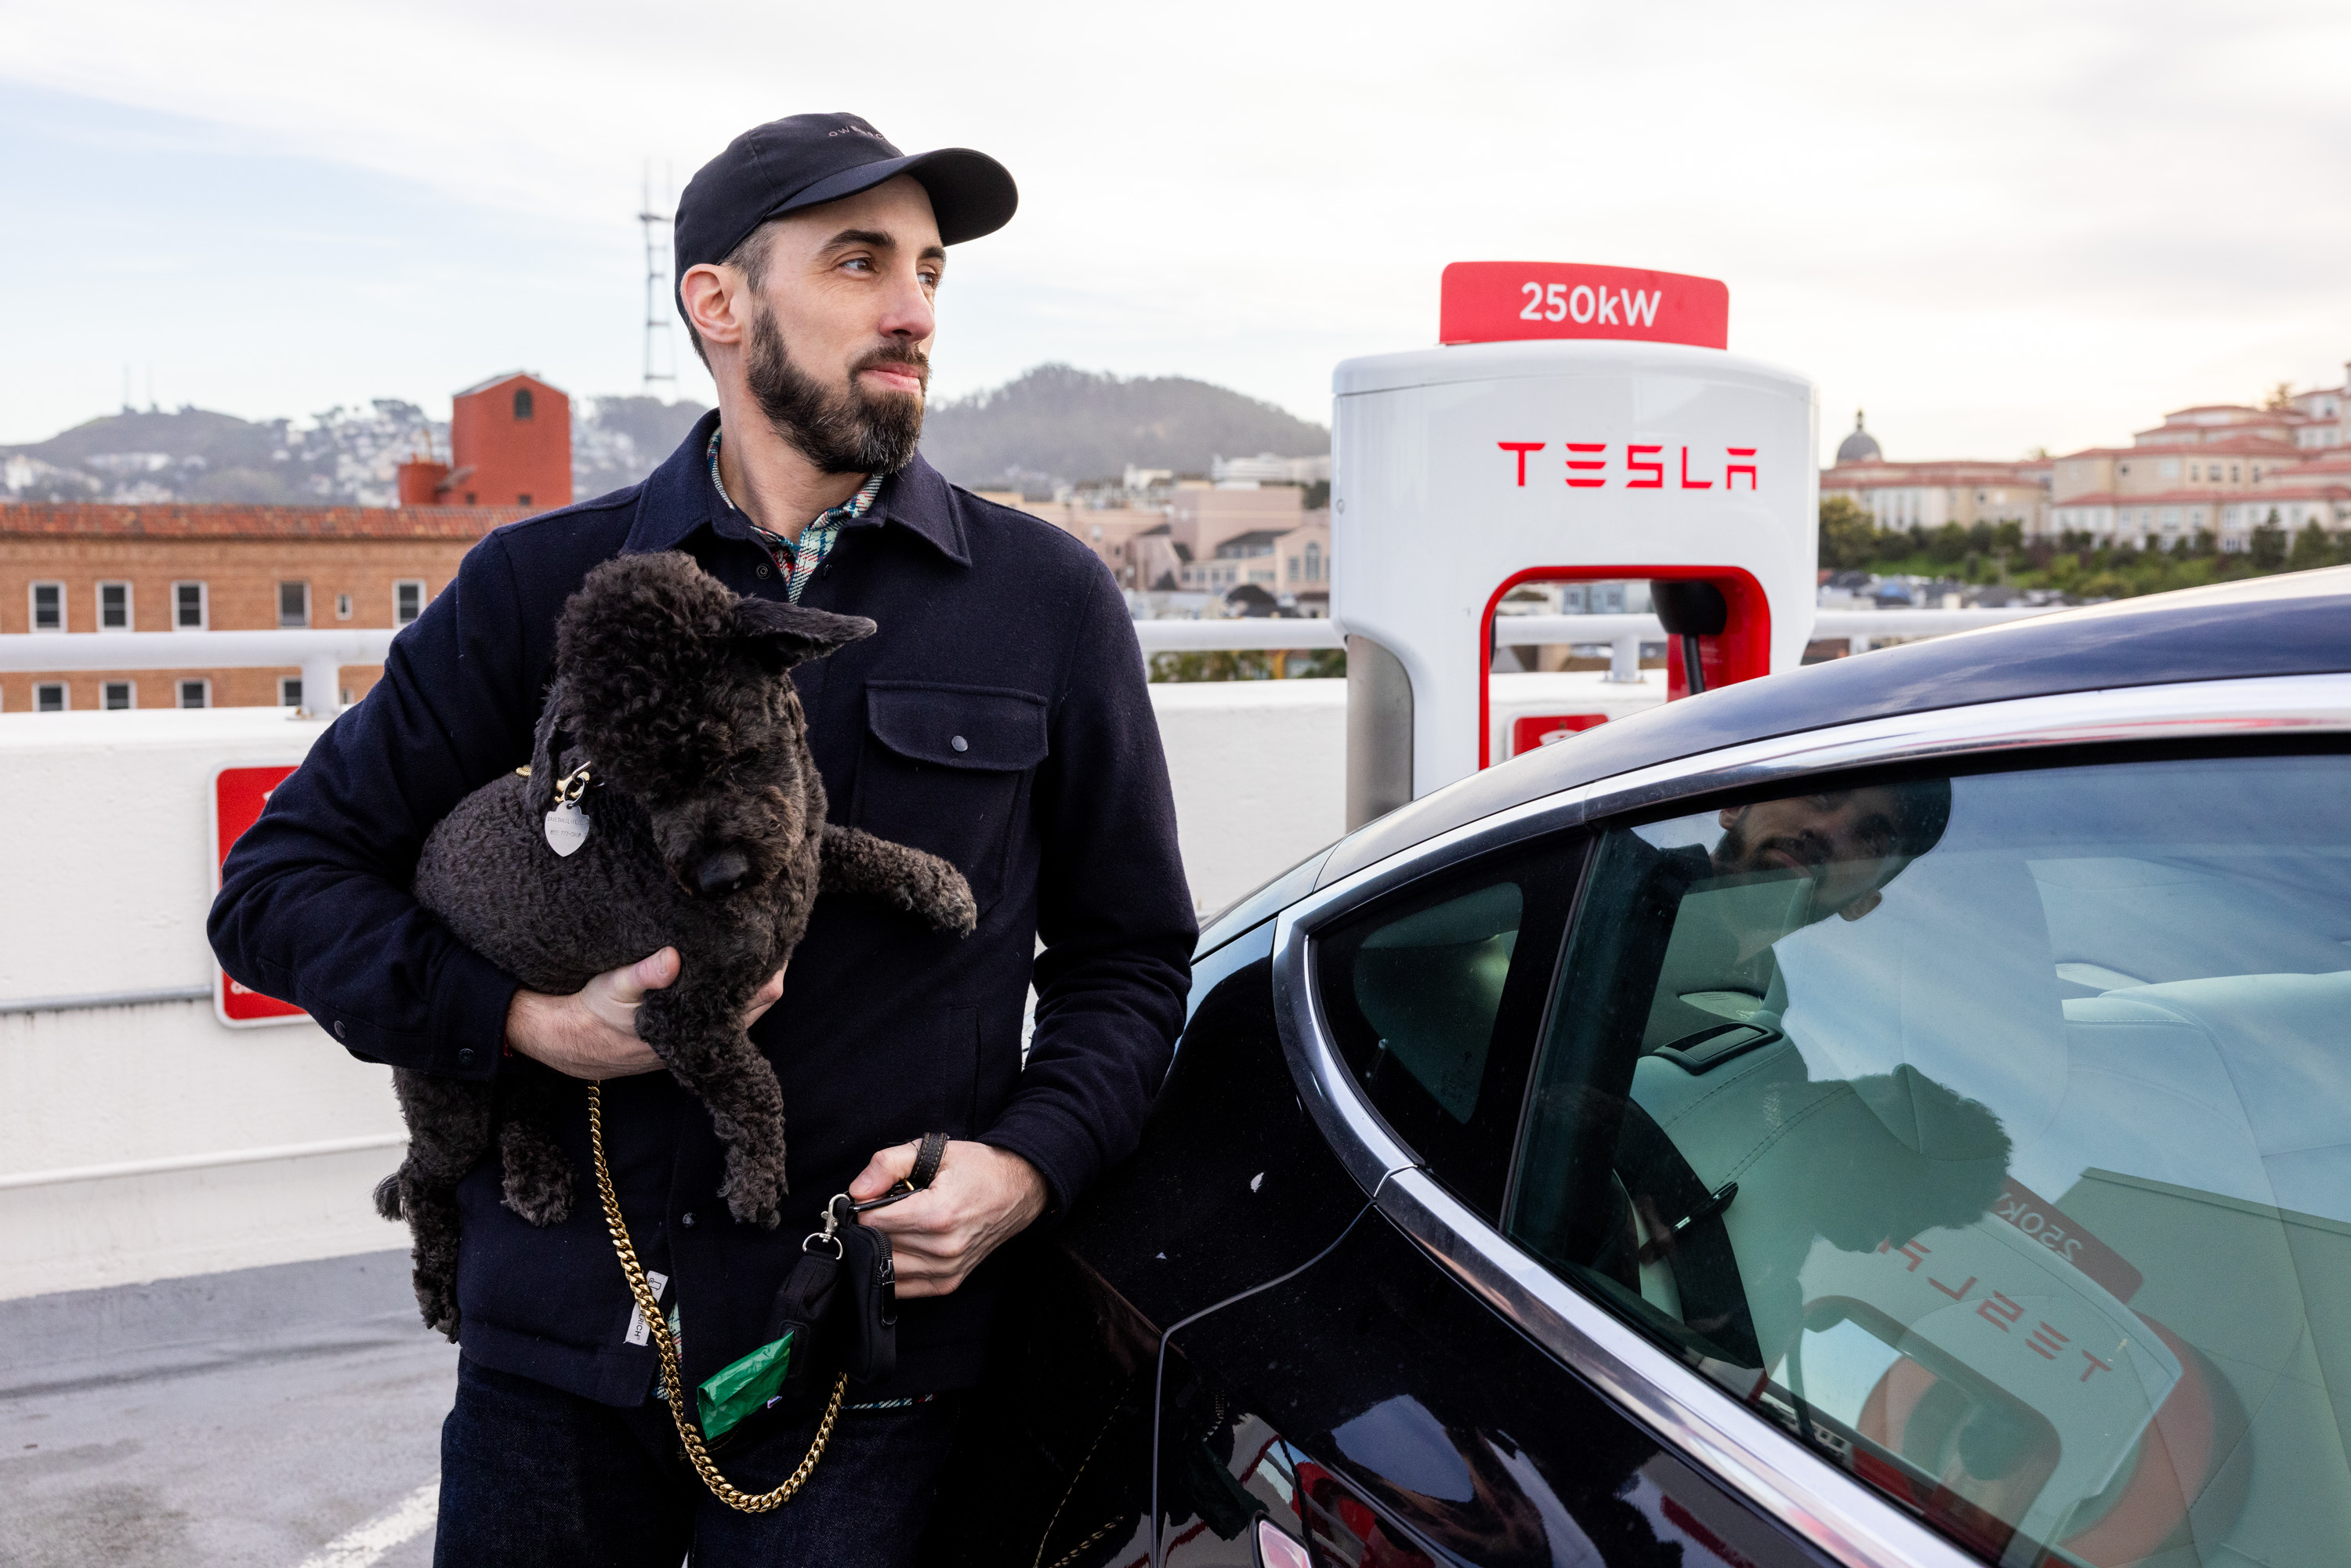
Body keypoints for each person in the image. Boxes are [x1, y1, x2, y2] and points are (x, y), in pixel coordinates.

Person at [208, 112, 1196, 1567]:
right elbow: (279, 890)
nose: (913, 309)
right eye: (859, 262)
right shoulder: (541, 585)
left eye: (927, 269)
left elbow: (1132, 958)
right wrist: (525, 1022)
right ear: (719, 304)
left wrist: (1026, 1168)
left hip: (872, 1366)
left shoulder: (1047, 602)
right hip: (559, 1352)